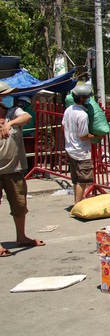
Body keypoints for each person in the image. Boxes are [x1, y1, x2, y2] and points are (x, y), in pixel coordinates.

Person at [0, 83, 45, 255]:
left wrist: (9, 124)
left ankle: (21, 236)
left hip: (14, 169)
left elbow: (27, 117)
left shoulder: (13, 113)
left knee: (19, 205)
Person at [62, 84, 101, 204]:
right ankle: (77, 205)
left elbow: (63, 126)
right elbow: (83, 136)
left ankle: (78, 200)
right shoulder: (82, 115)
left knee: (76, 180)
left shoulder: (69, 110)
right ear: (82, 99)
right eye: (88, 97)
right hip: (80, 152)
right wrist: (97, 136)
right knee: (83, 181)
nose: (90, 99)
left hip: (70, 149)